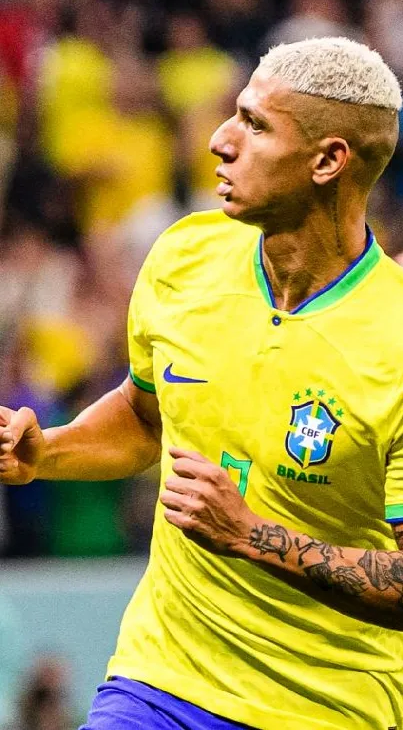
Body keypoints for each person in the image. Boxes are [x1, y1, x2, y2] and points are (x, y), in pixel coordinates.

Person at [1, 37, 403, 730]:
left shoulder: (391, 341)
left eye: (253, 124)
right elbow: (147, 415)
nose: (218, 140)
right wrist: (51, 451)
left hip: (328, 705)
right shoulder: (184, 256)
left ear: (328, 160)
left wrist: (250, 535)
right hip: (159, 681)